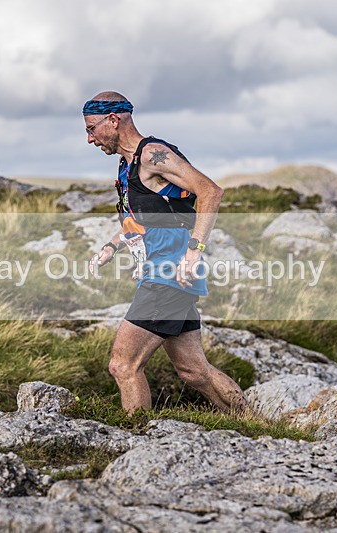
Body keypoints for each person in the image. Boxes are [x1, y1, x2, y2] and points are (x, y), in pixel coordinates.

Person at [83, 91, 251, 415]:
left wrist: (194, 252)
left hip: (169, 274)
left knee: (123, 365)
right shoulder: (127, 166)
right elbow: (148, 219)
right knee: (194, 372)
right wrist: (111, 246)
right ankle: (259, 426)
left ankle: (138, 440)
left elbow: (210, 191)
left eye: (92, 129)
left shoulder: (152, 154)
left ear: (113, 120)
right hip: (165, 275)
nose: (89, 139)